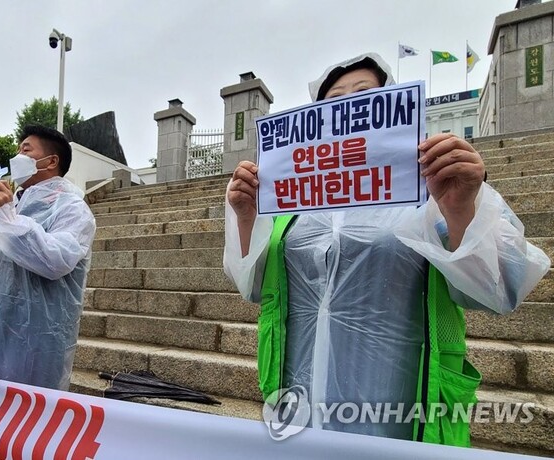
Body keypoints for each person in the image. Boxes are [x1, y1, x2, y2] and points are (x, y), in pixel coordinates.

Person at [224, 53, 551, 446]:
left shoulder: (427, 189)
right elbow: (256, 287)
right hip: (299, 400)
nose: (348, 105)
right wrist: (247, 217)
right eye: (334, 100)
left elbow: (500, 288)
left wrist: (461, 207)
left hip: (399, 404)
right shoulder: (292, 202)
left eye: (364, 94)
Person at [0, 125, 96, 390]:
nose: (17, 156)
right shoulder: (10, 205)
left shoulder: (72, 208)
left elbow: (56, 259)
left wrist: (7, 218)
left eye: (26, 150)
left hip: (39, 335)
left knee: (30, 409)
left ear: (51, 161)